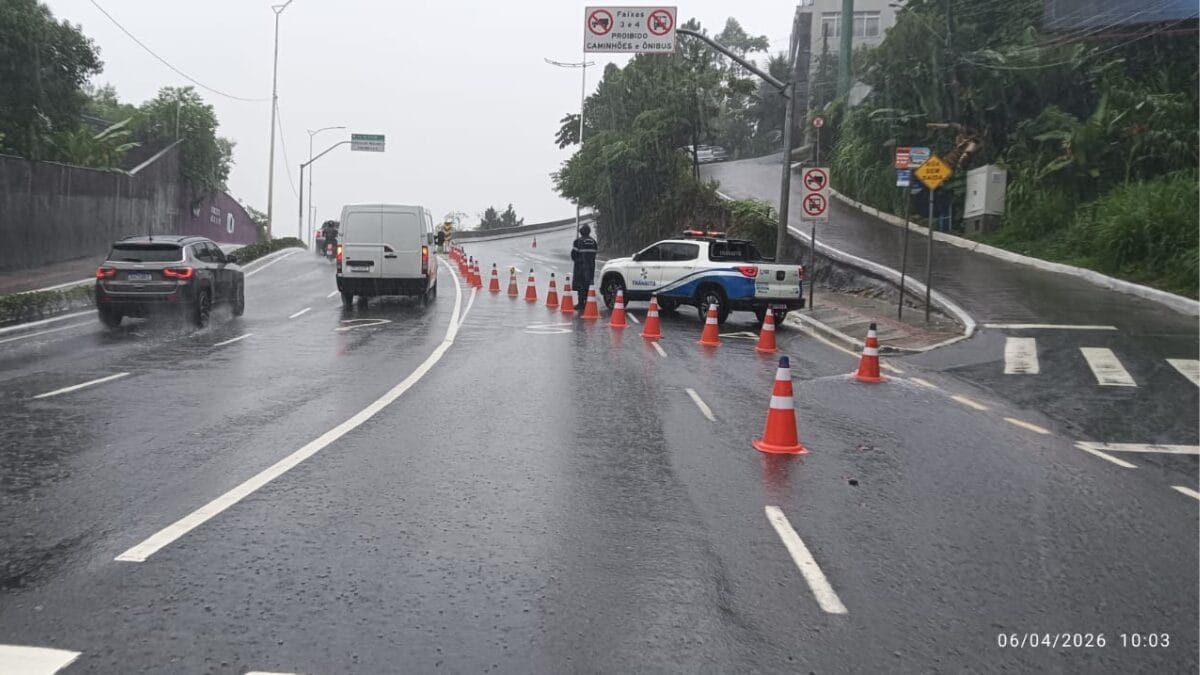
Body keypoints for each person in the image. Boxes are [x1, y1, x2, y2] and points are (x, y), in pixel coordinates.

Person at [570, 223, 598, 310]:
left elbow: (573, 255)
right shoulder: (594, 242)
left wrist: (578, 260)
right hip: (590, 267)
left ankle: (581, 303)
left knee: (580, 285)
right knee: (588, 285)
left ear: (581, 232)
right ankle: (588, 301)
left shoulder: (578, 242)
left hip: (580, 268)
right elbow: (595, 254)